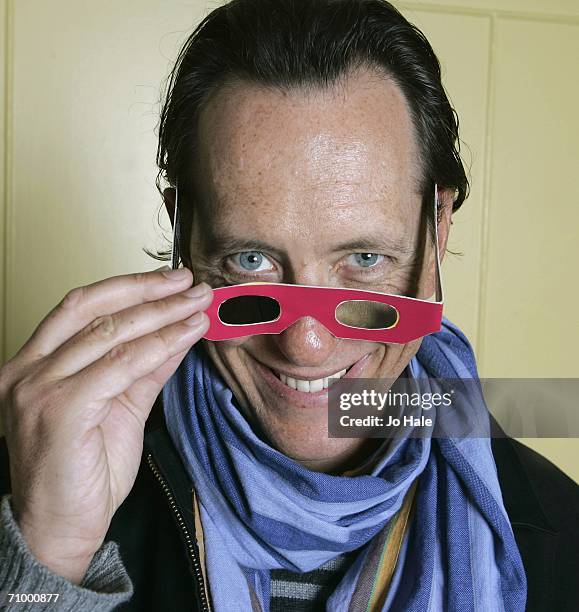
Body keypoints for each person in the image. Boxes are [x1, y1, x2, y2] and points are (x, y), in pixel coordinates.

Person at [0, 0, 577, 610]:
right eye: (252, 260)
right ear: (183, 234)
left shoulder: (558, 537)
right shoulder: (52, 492)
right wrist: (48, 563)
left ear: (439, 229)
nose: (306, 345)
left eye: (364, 260)